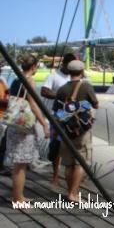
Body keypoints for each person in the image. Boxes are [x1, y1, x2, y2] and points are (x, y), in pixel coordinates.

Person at [4, 54, 49, 203]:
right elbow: (34, 104)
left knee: (18, 163)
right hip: (24, 127)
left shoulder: (16, 80)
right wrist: (44, 123)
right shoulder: (29, 81)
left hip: (14, 124)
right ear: (34, 67)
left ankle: (19, 196)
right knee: (21, 165)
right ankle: (18, 199)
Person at [53, 60, 98, 202]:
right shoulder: (86, 87)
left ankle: (70, 191)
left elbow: (57, 111)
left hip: (66, 130)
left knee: (68, 163)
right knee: (80, 162)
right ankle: (73, 193)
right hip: (81, 131)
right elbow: (96, 105)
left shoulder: (61, 89)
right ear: (82, 71)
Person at [40, 53, 76, 185]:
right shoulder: (53, 76)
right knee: (56, 146)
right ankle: (55, 175)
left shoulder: (75, 77)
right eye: (69, 66)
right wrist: (60, 95)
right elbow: (44, 91)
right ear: (64, 64)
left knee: (70, 146)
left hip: (70, 116)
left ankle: (71, 177)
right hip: (55, 117)